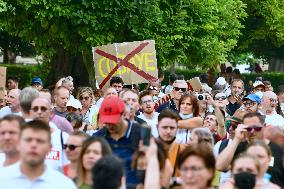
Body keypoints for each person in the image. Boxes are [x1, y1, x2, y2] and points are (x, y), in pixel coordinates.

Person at [0, 120, 77, 189]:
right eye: (28, 140)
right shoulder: (2, 179)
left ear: (49, 148)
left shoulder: (64, 185)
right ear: (19, 144)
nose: (33, 145)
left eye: (40, 141)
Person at [216, 112, 284, 187]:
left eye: (257, 128)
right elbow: (220, 166)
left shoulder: (279, 149)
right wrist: (237, 139)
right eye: (248, 128)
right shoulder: (239, 147)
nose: (252, 131)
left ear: (264, 126)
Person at [94, 96, 143, 186]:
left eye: (113, 121)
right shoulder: (98, 137)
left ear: (124, 114)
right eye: (106, 122)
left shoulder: (140, 133)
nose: (109, 125)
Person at [30, 97, 69, 171]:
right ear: (30, 112)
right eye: (35, 109)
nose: (39, 112)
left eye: (43, 109)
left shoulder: (63, 138)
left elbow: (68, 168)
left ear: (51, 113)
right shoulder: (21, 137)